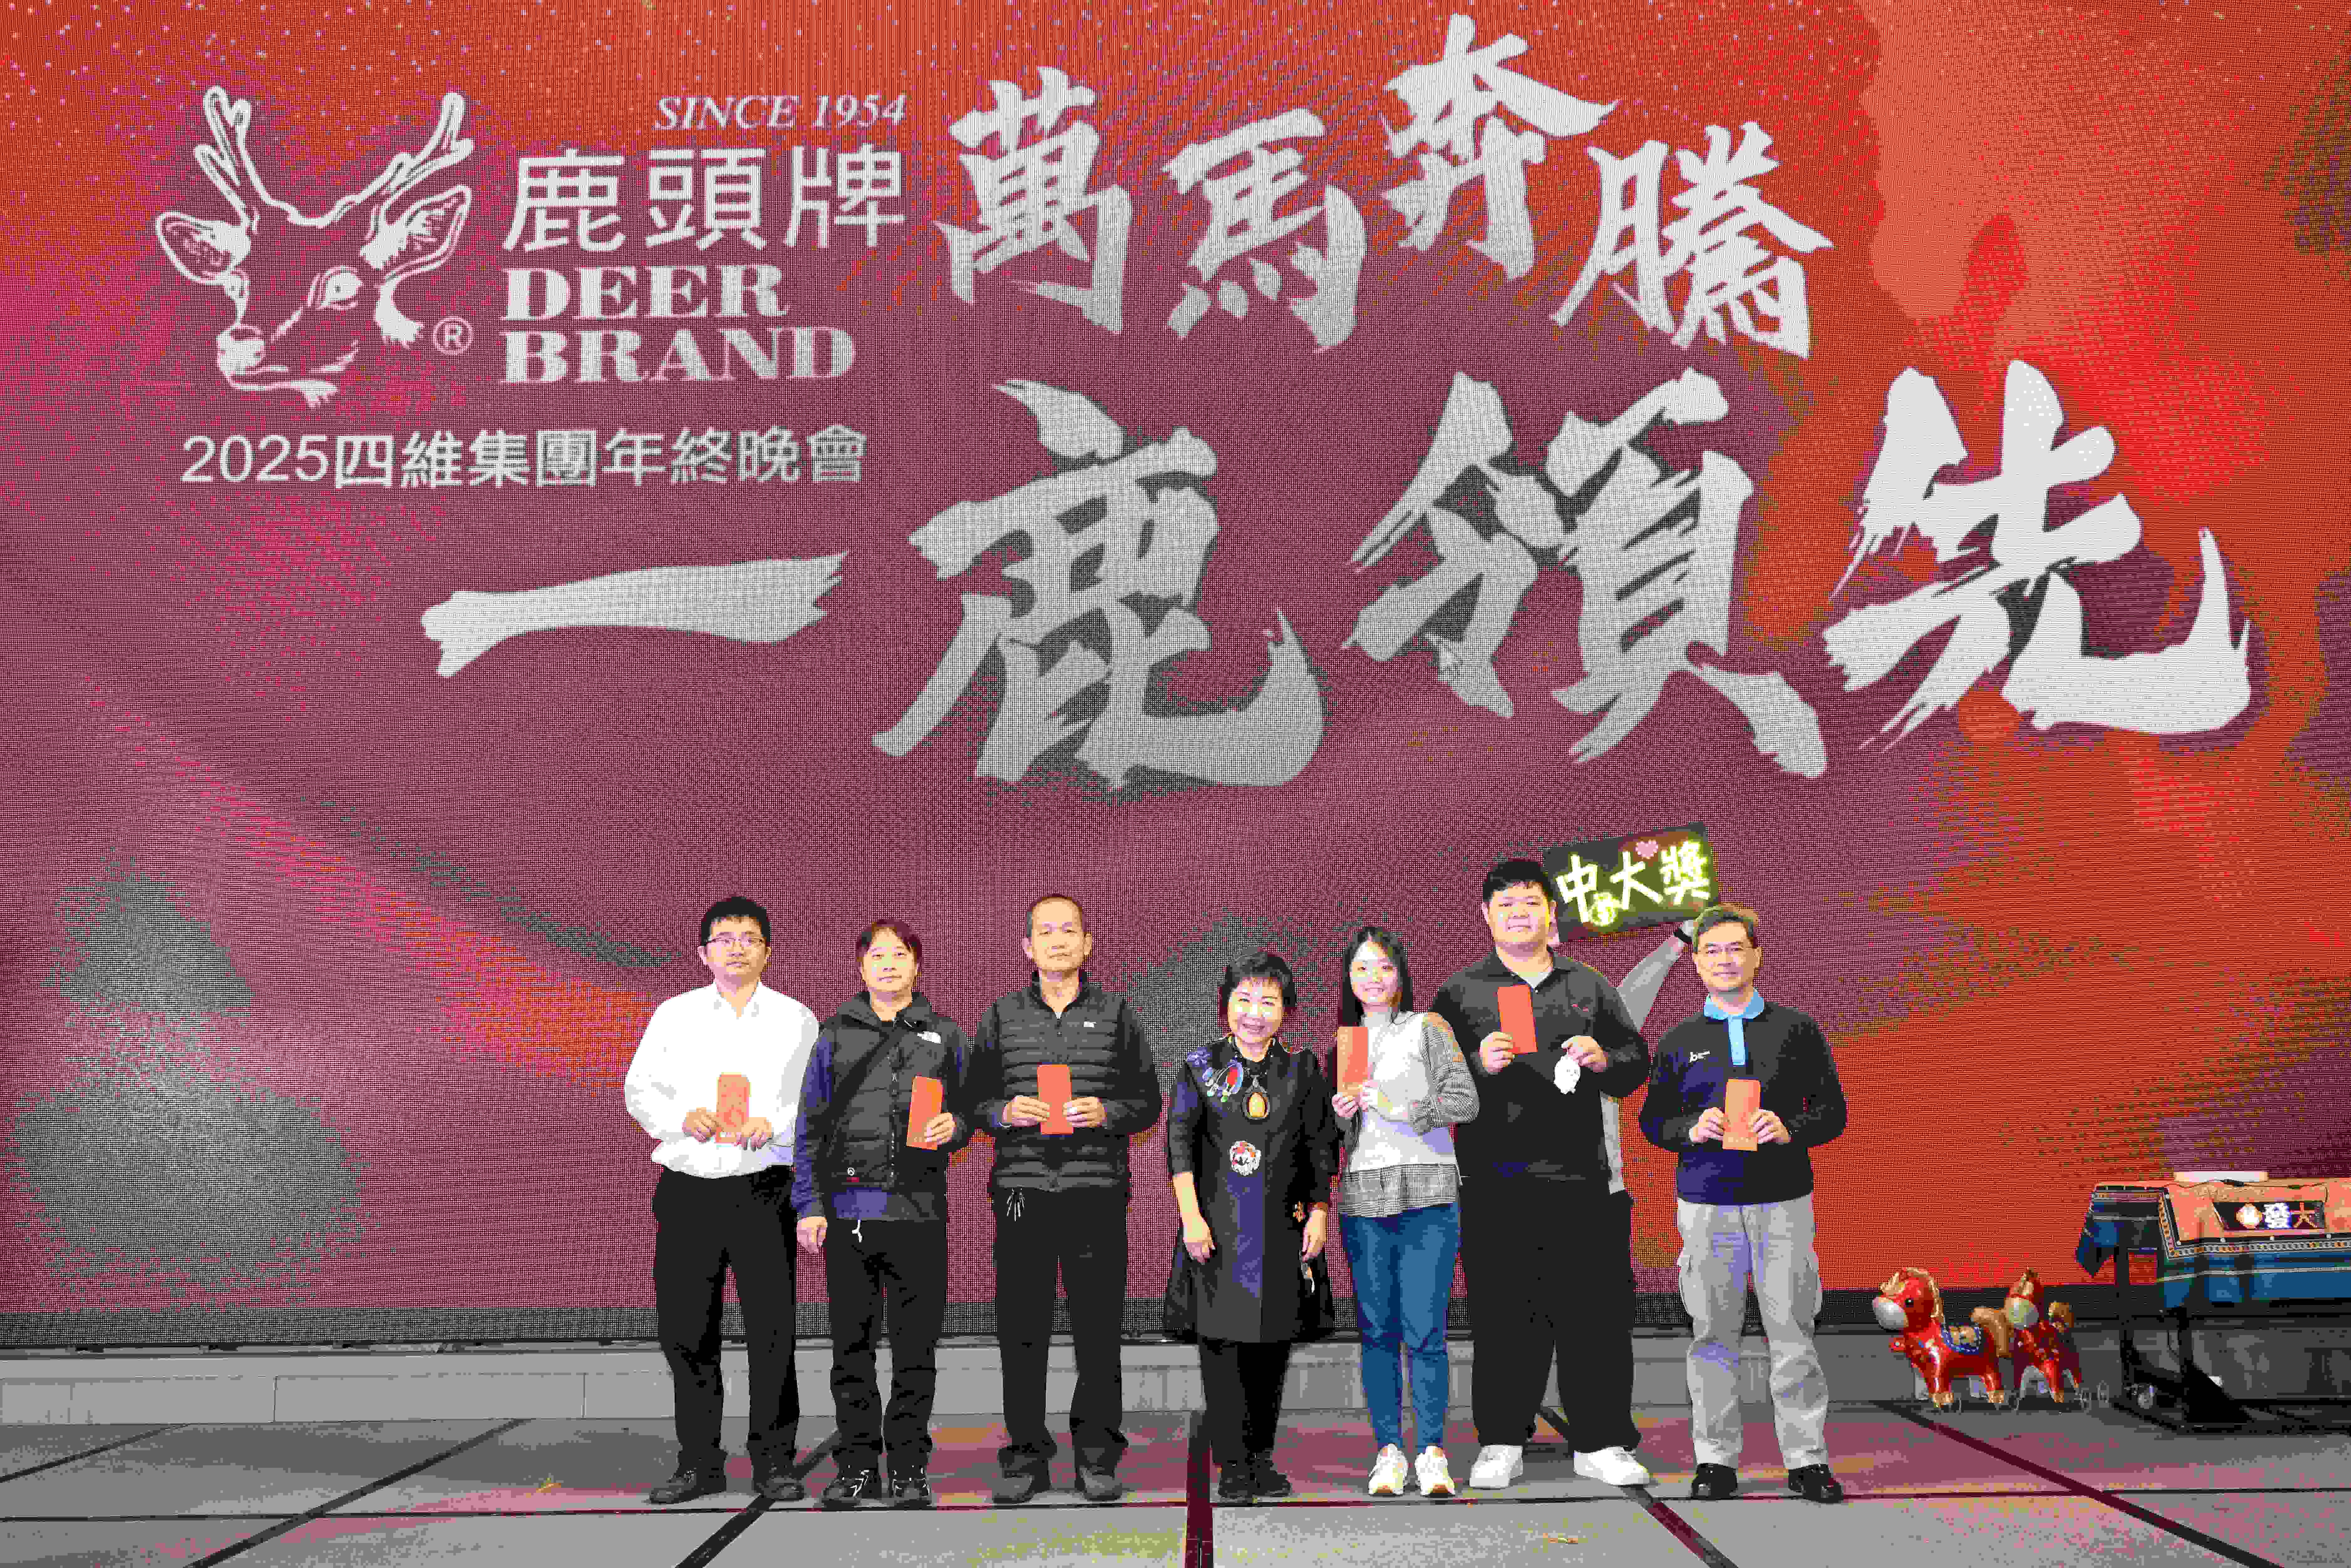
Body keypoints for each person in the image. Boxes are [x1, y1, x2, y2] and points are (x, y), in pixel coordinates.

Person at [1431, 858, 1653, 1491]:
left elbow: (1635, 1062)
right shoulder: (1459, 992)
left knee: (1595, 1319)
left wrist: (1603, 1057)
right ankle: (1501, 1440)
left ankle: (1601, 1440)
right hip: (1494, 1186)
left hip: (1583, 1183)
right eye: (1504, 905)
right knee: (1503, 1318)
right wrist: (1475, 1062)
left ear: (1550, 912)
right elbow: (1432, 1085)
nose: (1518, 914)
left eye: (1529, 902)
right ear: (1485, 915)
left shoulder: (1587, 984)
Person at [1639, 903, 1849, 1505]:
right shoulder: (1678, 1040)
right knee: (1711, 1336)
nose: (1725, 960)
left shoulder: (1797, 1030)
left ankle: (1807, 1460)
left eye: (1736, 948)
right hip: (1705, 1204)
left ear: (1757, 955)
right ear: (1696, 963)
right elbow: (1653, 1121)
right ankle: (1715, 1460)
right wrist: (1689, 1128)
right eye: (1712, 951)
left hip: (1783, 1202)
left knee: (1793, 1334)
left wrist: (1790, 1129)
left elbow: (1832, 1113)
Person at [623, 895, 821, 1505]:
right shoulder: (674, 1014)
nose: (737, 948)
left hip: (763, 1188)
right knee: (687, 1331)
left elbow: (816, 1100)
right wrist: (682, 1118)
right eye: (724, 938)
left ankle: (774, 1461)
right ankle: (698, 1462)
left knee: (772, 1332)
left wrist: (775, 1124)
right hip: (689, 1190)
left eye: (749, 938)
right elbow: (639, 1089)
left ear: (768, 950)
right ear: (702, 952)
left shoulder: (796, 1019)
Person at [970, 894, 1163, 1505]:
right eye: (1045, 931)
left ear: (1087, 943)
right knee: (1021, 1333)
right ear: (1027, 946)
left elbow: (1148, 1101)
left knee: (1098, 1334)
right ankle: (1026, 1456)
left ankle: (1097, 1457)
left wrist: (1107, 1112)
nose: (1058, 940)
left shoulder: (1117, 1013)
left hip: (1094, 1194)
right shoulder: (1001, 1015)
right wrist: (1004, 1112)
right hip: (1021, 1194)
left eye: (1069, 930)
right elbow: (973, 1100)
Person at [791, 919, 974, 1509]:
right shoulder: (834, 1035)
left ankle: (911, 1468)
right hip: (848, 1216)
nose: (889, 964)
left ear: (917, 965)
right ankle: (856, 1468)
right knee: (852, 1351)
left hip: (919, 1215)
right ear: (861, 966)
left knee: (916, 1352)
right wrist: (809, 1205)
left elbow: (974, 1108)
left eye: (900, 954)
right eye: (878, 955)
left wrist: (957, 1127)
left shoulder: (946, 1035)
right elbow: (809, 1127)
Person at [1168, 950, 1341, 1503]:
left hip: (1284, 1230)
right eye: (1244, 1000)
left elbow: (1320, 1148)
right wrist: (1191, 1219)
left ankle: (1261, 1458)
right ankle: (1233, 1463)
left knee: (1272, 1349)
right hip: (1216, 1230)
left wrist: (1320, 1212)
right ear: (1226, 1005)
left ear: (1285, 1010)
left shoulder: (1302, 1069)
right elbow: (1179, 1148)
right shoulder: (1199, 1067)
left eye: (1268, 1002)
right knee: (1222, 1349)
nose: (1254, 1013)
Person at [1328, 926, 1478, 1498]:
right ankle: (1388, 1450)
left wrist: (1400, 1106)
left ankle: (1432, 1451)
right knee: (1376, 1331)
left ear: (1400, 975)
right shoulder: (1344, 1043)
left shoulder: (1428, 1027)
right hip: (1364, 1194)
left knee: (1426, 1330)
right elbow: (1340, 1135)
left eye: (1384, 967)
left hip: (1428, 1191)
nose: (1373, 978)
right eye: (1361, 968)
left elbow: (1465, 1101)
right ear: (1349, 978)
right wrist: (1341, 1114)